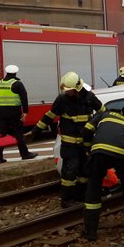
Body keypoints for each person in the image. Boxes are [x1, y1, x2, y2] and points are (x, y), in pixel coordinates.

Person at [26, 71, 105, 208]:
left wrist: (93, 124)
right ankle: (66, 199)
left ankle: (81, 196)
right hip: (69, 144)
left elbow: (103, 112)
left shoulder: (90, 97)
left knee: (85, 171)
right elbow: (49, 116)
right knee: (70, 170)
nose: (67, 92)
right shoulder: (62, 100)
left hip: (85, 144)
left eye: (69, 90)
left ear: (77, 88)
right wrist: (34, 131)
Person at [80, 106, 124, 240]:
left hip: (99, 152)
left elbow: (86, 130)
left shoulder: (106, 114)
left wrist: (89, 149)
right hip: (123, 155)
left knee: (93, 189)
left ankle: (90, 231)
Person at [0, 64, 37, 164]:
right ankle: (25, 154)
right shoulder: (17, 84)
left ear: (6, 72)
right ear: (15, 73)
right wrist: (25, 112)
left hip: (1, 113)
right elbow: (24, 98)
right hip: (14, 113)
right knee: (18, 134)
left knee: (1, 135)